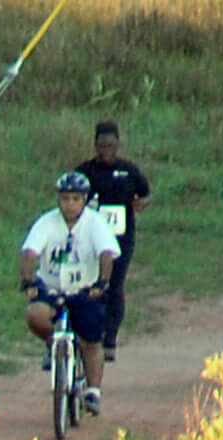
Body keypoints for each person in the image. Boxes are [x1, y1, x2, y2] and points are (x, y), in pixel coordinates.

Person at [22, 173, 122, 414]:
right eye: (65, 198)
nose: (70, 204)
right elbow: (29, 252)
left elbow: (106, 253)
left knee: (91, 340)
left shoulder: (95, 222)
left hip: (84, 289)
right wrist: (27, 281)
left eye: (76, 199)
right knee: (35, 315)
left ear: (84, 200)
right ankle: (53, 345)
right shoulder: (47, 222)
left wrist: (102, 282)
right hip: (52, 287)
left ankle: (93, 391)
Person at [75, 123, 153, 348]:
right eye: (101, 146)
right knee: (91, 284)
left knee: (114, 286)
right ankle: (90, 332)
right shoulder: (84, 172)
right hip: (90, 239)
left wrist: (141, 204)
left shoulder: (128, 170)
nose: (106, 150)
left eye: (110, 145)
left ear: (117, 145)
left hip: (121, 238)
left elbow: (146, 194)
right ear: (95, 145)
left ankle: (110, 338)